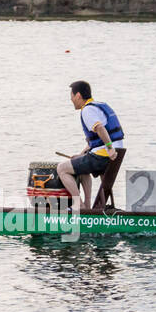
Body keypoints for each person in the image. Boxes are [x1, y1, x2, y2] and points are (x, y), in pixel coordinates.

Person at [57, 80, 126, 215]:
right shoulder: (99, 105)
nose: (71, 100)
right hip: (111, 154)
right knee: (81, 168)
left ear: (78, 96)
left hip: (104, 155)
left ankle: (79, 205)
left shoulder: (87, 110)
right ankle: (87, 206)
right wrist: (81, 154)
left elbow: (100, 128)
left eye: (71, 96)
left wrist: (109, 147)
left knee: (62, 169)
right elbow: (94, 141)